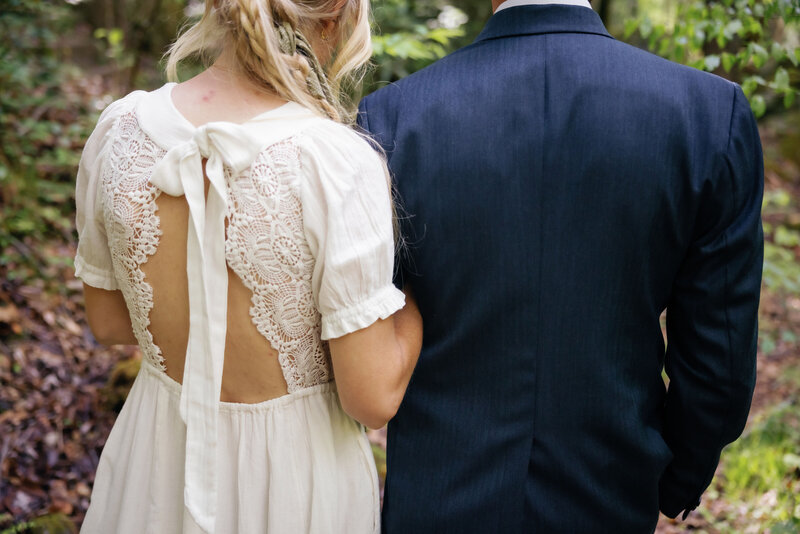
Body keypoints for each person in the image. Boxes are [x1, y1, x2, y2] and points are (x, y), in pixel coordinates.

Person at [357, 0, 763, 532]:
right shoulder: (707, 114)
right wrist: (675, 478)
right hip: (610, 490)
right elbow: (720, 360)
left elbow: (368, 337)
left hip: (440, 493)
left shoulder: (392, 117)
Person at [74, 0, 422, 532]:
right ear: (337, 19)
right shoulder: (332, 160)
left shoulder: (120, 130)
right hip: (295, 481)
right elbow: (372, 398)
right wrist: (420, 299)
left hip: (155, 460)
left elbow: (110, 323)